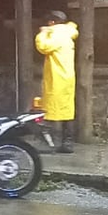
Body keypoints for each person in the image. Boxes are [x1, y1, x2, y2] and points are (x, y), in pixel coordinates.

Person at [35, 10, 78, 153]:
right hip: (67, 77)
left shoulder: (57, 34)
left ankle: (53, 142)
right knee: (67, 111)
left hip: (56, 78)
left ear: (52, 22)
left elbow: (43, 47)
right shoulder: (68, 33)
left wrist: (42, 33)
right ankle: (67, 142)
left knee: (51, 110)